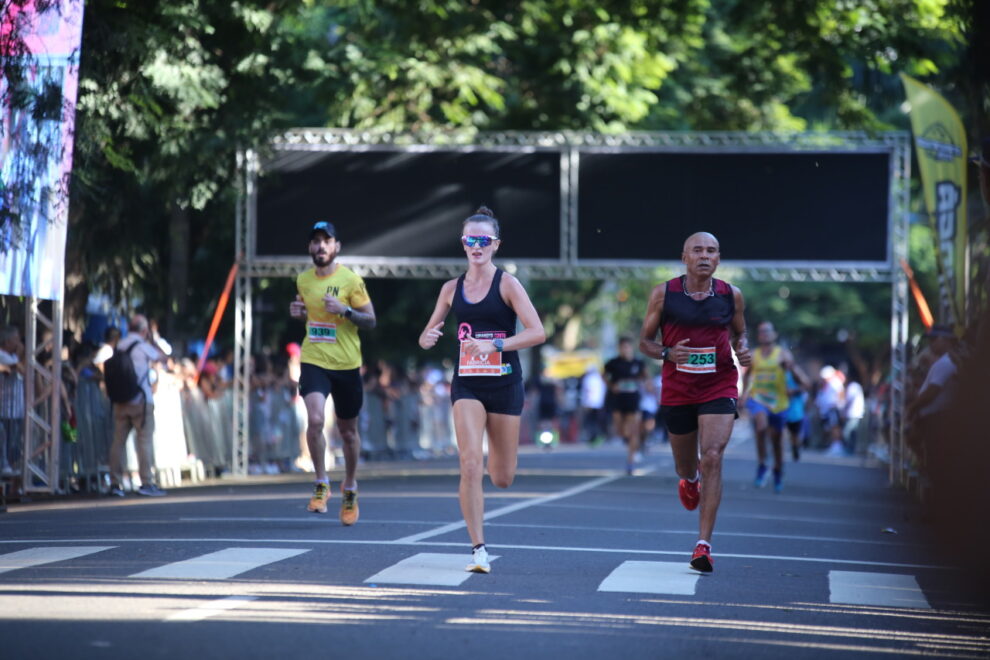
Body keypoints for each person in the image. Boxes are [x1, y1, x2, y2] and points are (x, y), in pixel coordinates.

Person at [418, 206, 546, 574]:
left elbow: (538, 331)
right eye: (470, 240)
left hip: (505, 385)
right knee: (470, 462)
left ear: (495, 244)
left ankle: (496, 468)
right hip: (467, 384)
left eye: (483, 240)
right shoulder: (450, 289)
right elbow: (427, 336)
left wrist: (497, 345)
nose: (476, 246)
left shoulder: (507, 284)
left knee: (501, 477)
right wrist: (427, 338)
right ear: (463, 244)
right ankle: (478, 549)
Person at [639, 231, 752, 573]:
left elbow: (739, 332)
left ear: (719, 258)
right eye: (698, 250)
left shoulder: (731, 295)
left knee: (713, 456)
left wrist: (742, 348)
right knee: (686, 465)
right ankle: (689, 480)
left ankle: (703, 544)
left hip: (718, 383)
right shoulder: (664, 294)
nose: (705, 256)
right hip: (678, 388)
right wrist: (669, 352)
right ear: (684, 257)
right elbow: (645, 341)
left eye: (712, 251)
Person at [290, 220, 376, 525]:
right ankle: (321, 482)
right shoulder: (303, 280)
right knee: (314, 420)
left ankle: (350, 486)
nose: (320, 246)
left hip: (347, 364)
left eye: (326, 241)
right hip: (314, 358)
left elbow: (371, 320)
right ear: (310, 247)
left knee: (348, 432)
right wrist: (299, 314)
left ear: (336, 247)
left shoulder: (351, 281)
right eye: (315, 241)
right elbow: (308, 316)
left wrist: (345, 310)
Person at [740, 321, 806, 493]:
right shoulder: (754, 355)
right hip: (759, 398)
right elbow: (747, 377)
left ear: (774, 334)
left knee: (777, 440)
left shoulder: (783, 354)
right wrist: (743, 395)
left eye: (768, 331)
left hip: (779, 402)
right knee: (761, 427)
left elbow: (797, 375)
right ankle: (762, 464)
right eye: (761, 331)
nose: (765, 334)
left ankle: (778, 469)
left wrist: (794, 384)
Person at [108, 314, 170, 496]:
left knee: (118, 442)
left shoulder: (120, 345)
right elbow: (164, 358)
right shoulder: (143, 347)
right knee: (144, 442)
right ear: (144, 330)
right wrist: (152, 339)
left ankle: (114, 482)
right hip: (141, 401)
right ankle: (146, 482)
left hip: (120, 401)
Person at [604, 337, 647, 474]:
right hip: (618, 400)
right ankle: (628, 441)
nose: (625, 349)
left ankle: (630, 461)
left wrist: (643, 385)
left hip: (633, 399)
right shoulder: (613, 363)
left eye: (627, 347)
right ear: (619, 348)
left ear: (631, 348)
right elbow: (604, 376)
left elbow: (645, 376)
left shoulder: (638, 363)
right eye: (622, 347)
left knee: (633, 430)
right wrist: (612, 386)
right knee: (620, 430)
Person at [0, 325, 25, 476]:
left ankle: (12, 469)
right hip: (6, 409)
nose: (18, 342)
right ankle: (5, 465)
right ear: (7, 340)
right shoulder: (2, 355)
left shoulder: (14, 356)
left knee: (14, 443)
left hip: (16, 410)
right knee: (6, 441)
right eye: (16, 339)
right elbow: (21, 369)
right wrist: (23, 354)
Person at [816, 365, 846, 455]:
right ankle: (833, 445)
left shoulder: (835, 382)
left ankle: (837, 446)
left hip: (834, 408)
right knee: (831, 427)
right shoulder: (827, 384)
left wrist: (839, 405)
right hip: (828, 409)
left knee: (835, 427)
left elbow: (840, 394)